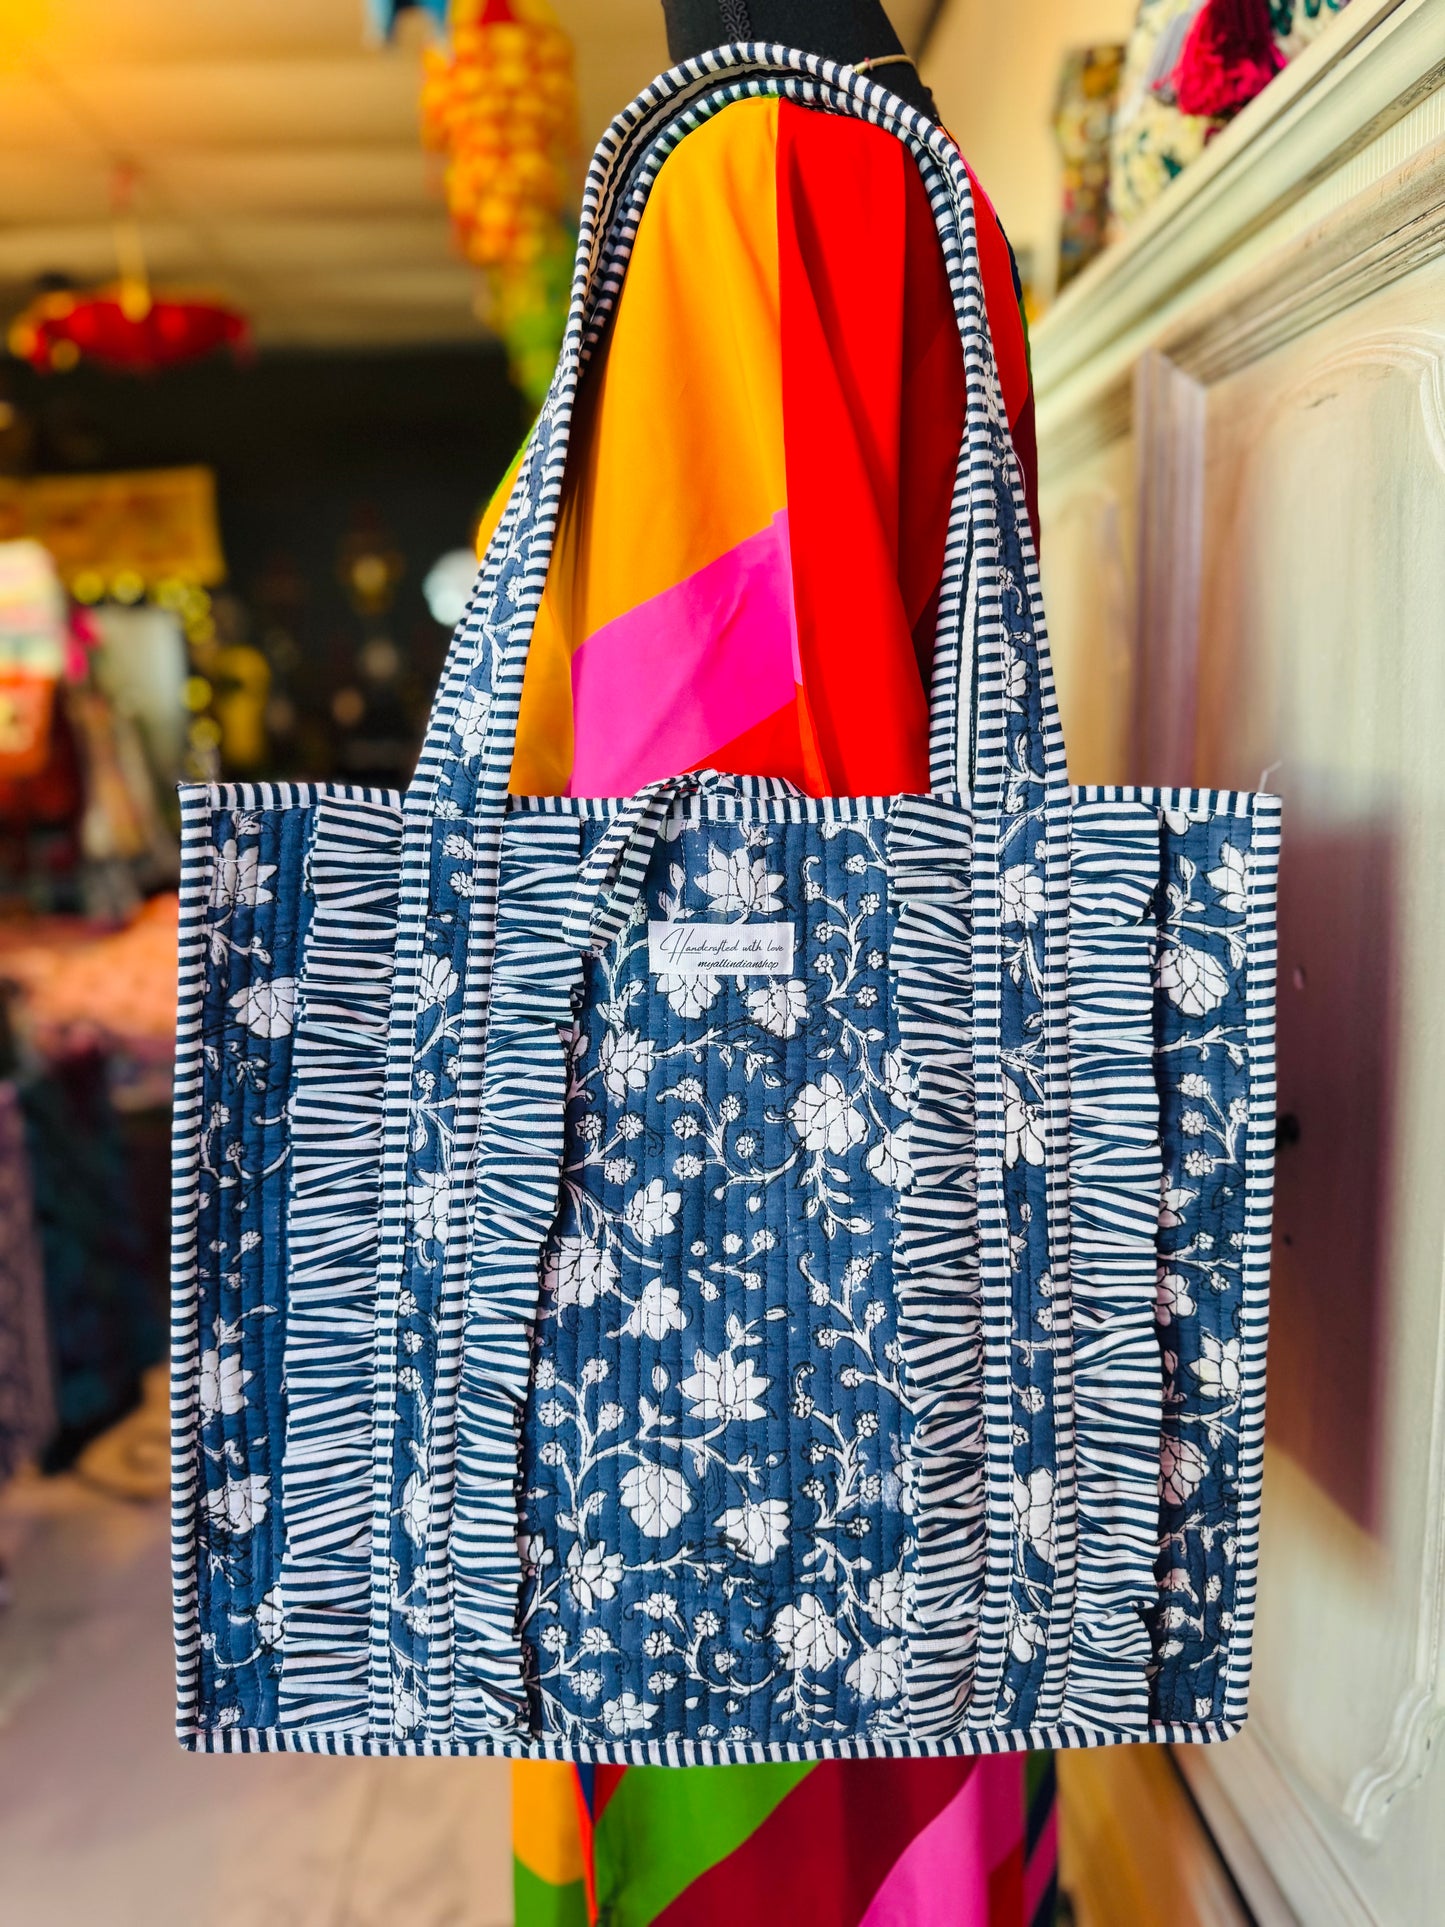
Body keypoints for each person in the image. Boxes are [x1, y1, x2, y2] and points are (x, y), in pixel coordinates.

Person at [503, 4, 1057, 1920]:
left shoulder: (756, 161)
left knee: (760, 1728)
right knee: (908, 1683)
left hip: (744, 1200)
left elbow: (720, 750)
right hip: (880, 1183)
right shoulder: (892, 160)